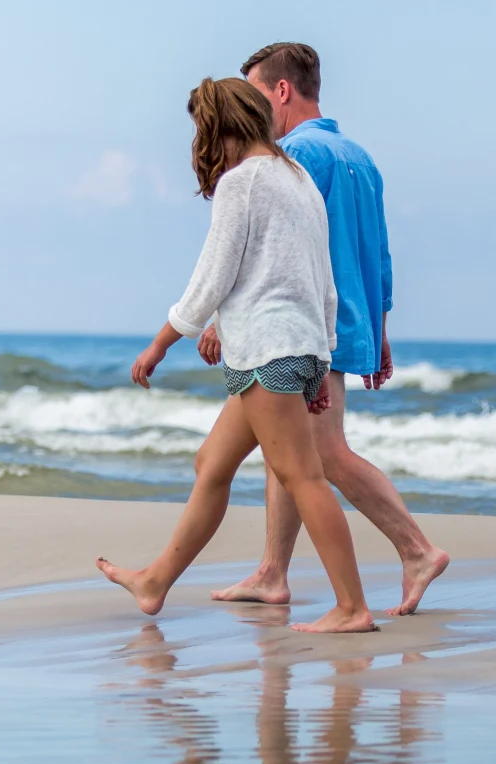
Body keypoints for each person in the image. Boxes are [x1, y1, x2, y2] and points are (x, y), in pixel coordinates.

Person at [95, 76, 377, 634]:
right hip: (288, 351)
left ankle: (352, 608)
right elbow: (324, 283)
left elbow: (212, 277)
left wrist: (159, 343)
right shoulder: (297, 180)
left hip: (268, 353)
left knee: (303, 476)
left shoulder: (242, 183)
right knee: (213, 464)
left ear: (220, 127)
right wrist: (320, 359)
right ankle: (154, 583)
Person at [199, 43, 449, 617]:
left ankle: (416, 550)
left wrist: (216, 316)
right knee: (285, 451)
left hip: (309, 324)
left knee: (323, 454)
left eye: (257, 95)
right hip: (350, 320)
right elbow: (378, 255)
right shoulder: (359, 156)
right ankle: (272, 572)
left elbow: (271, 246)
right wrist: (380, 331)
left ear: (281, 91)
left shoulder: (292, 154)